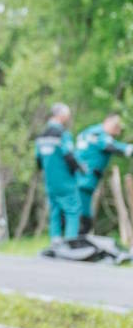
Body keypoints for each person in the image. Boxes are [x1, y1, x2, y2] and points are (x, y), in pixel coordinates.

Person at [35, 103, 86, 243]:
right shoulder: (63, 135)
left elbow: (38, 161)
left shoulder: (41, 136)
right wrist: (81, 169)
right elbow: (70, 156)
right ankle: (70, 244)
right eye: (67, 116)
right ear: (61, 116)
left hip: (50, 181)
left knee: (55, 211)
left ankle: (55, 243)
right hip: (65, 181)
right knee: (72, 210)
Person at [75, 114, 132, 235]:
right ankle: (75, 245)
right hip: (85, 179)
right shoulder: (99, 134)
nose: (117, 131)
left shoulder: (90, 131)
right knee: (83, 218)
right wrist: (129, 149)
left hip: (82, 178)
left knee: (81, 215)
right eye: (115, 126)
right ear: (107, 122)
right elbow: (113, 147)